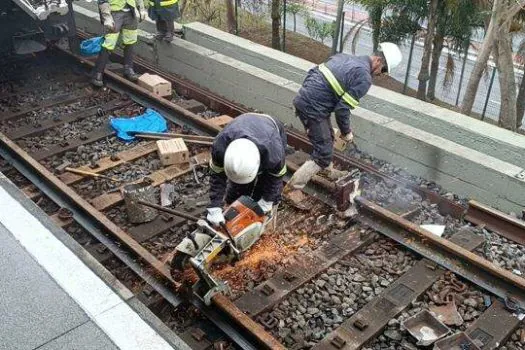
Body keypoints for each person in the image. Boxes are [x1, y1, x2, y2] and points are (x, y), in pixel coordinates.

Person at [284, 42, 402, 204]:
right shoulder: (364, 77)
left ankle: (325, 170)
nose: (381, 75)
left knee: (328, 138)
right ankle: (293, 188)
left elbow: (315, 75)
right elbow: (342, 110)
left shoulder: (345, 57)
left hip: (310, 100)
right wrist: (346, 132)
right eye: (384, 70)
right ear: (379, 61)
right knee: (323, 153)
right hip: (313, 107)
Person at [206, 113, 287, 227]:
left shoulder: (273, 152)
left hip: (270, 127)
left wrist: (267, 201)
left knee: (266, 186)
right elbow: (217, 176)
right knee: (237, 189)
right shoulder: (220, 147)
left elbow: (276, 176)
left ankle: (265, 226)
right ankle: (232, 211)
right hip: (243, 124)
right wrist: (215, 205)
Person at [91, 0, 147, 87]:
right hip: (114, 13)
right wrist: (107, 17)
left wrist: (142, 8)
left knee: (130, 40)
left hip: (130, 12)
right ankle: (98, 73)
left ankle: (129, 68)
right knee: (109, 43)